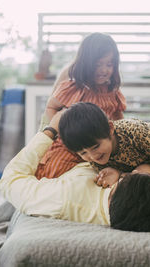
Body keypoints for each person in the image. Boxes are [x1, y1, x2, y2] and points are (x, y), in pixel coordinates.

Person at [0, 110, 150, 232]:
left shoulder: (62, 199)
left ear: (115, 193)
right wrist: (120, 172)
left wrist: (50, 131)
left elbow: (9, 180)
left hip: (63, 157)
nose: (133, 172)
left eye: (130, 177)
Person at [59, 102, 150, 204]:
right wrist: (116, 172)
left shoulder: (134, 131)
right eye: (83, 153)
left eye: (95, 147)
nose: (92, 156)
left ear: (110, 129)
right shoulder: (94, 158)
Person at [35, 32, 126, 179]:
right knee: (56, 169)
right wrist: (62, 134)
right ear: (86, 64)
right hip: (71, 145)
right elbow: (51, 107)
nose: (104, 70)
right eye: (98, 65)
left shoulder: (111, 92)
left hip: (98, 144)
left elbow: (119, 118)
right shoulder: (74, 88)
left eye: (109, 64)